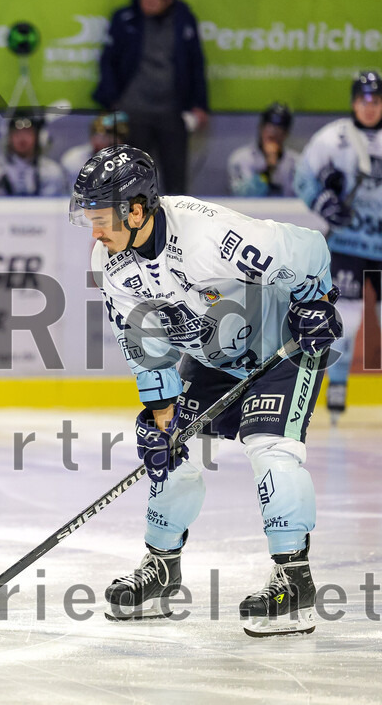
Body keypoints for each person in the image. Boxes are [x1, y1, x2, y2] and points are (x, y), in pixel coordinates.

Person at [71, 145, 340, 638]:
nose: (95, 231)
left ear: (136, 208)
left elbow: (308, 249)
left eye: (102, 217)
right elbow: (145, 349)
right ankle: (161, 568)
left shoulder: (210, 235)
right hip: (213, 357)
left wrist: (318, 301)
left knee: (271, 449)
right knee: (169, 451)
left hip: (281, 342)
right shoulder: (110, 263)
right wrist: (159, 418)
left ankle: (295, 579)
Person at [294, 70, 382, 422]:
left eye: (376, 100)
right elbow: (303, 176)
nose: (370, 107)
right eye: (364, 100)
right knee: (346, 318)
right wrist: (323, 202)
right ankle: (338, 385)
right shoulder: (334, 138)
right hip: (347, 245)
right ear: (353, 102)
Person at [93, 0, 209, 194]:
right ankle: (133, 226)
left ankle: (175, 227)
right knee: (132, 177)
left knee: (175, 179)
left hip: (173, 110)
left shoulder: (184, 20)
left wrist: (199, 104)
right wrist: (112, 101)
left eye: (153, 2)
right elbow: (108, 60)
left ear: (168, 0)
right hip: (133, 109)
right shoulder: (125, 17)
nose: (146, 5)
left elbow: (196, 62)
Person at [228, 103, 298, 197]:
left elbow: (301, 197)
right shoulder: (241, 159)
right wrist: (268, 171)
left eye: (280, 129)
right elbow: (242, 195)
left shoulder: (296, 162)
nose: (274, 132)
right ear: (261, 128)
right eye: (269, 126)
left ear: (286, 134)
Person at [0, 111, 67, 196]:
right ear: (7, 138)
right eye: (17, 133)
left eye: (28, 132)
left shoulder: (52, 171)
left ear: (39, 138)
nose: (22, 138)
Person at [60, 112, 130, 181]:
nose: (114, 140)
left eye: (120, 136)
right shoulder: (74, 158)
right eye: (107, 134)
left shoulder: (128, 161)